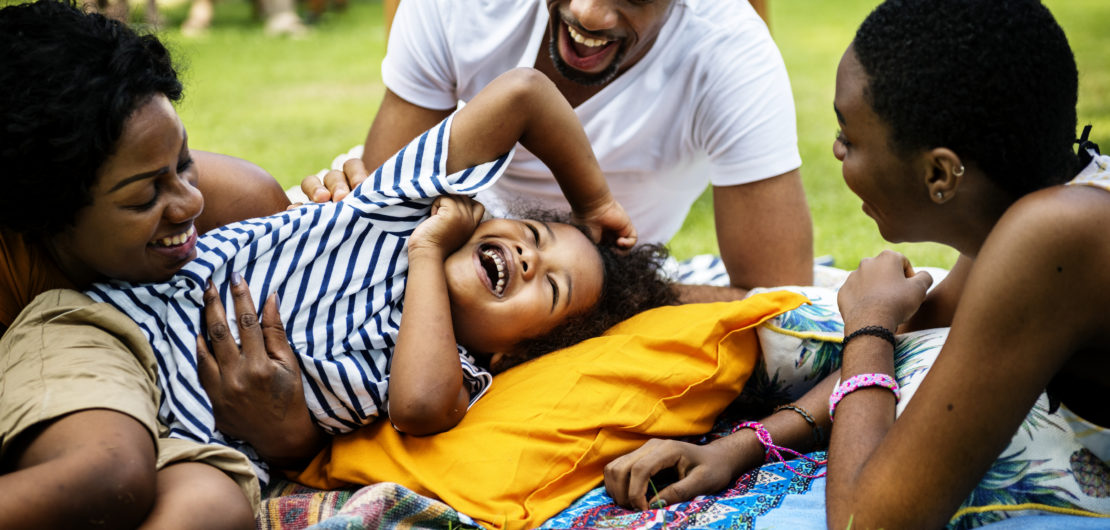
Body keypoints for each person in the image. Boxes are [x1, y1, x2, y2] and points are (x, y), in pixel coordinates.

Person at [602, 0, 1110, 527]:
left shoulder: (1053, 238)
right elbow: (915, 335)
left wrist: (866, 323)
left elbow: (866, 521)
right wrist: (740, 448)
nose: (837, 151)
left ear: (940, 174)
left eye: (850, 136)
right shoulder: (1041, 211)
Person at [86, 67, 677, 482]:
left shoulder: (456, 370)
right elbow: (523, 93)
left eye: (550, 287)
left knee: (179, 499)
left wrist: (428, 254)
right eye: (532, 235)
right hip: (128, 302)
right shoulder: (403, 208)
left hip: (171, 426)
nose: (529, 258)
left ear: (513, 355)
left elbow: (419, 407)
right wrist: (594, 202)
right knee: (236, 186)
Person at [299, 0, 815, 300]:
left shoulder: (730, 56)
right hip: (451, 239)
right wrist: (354, 200)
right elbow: (383, 211)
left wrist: (604, 295)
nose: (587, 13)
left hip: (614, 284)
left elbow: (779, 303)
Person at [0, 1, 291, 527]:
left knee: (210, 504)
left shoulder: (241, 214)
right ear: (45, 214)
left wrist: (284, 432)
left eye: (184, 163)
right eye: (143, 197)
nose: (188, 205)